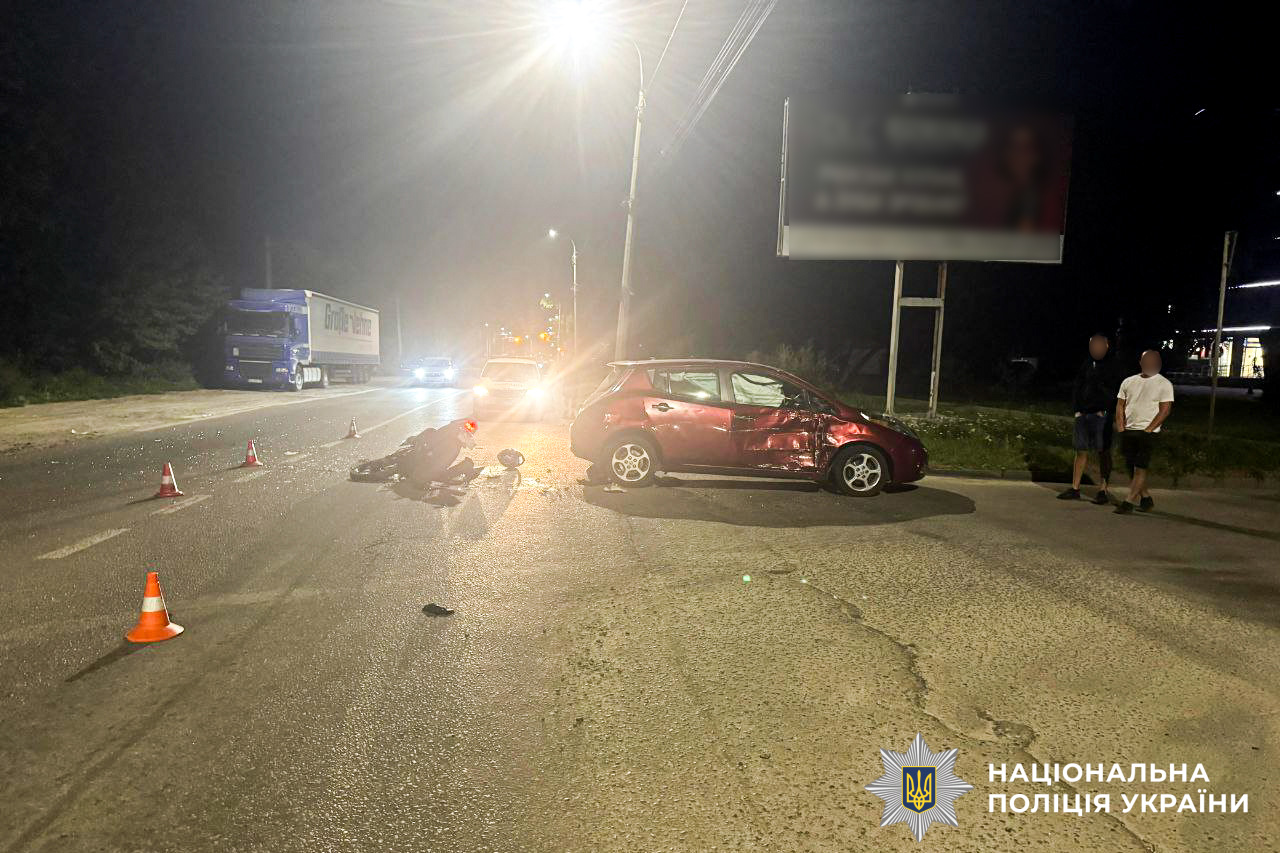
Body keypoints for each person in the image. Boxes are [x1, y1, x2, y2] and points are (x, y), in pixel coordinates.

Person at [1058, 334, 1122, 503]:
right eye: (1093, 346)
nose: (1095, 349)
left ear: (1106, 346)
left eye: (1099, 345)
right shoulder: (1087, 363)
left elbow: (1117, 392)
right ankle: (1075, 488)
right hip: (1083, 414)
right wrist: (1077, 410)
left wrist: (1106, 410)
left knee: (1103, 452)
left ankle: (1103, 490)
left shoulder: (1113, 366)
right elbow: (1078, 386)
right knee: (1080, 450)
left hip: (1102, 415)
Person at [1113, 350, 1174, 515]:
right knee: (1131, 467)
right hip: (1129, 430)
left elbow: (1165, 410)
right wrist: (1120, 426)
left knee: (1140, 467)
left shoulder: (1164, 384)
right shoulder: (1128, 382)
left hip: (1148, 433)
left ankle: (1128, 502)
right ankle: (1146, 498)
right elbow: (1120, 405)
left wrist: (1149, 429)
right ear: (1141, 362)